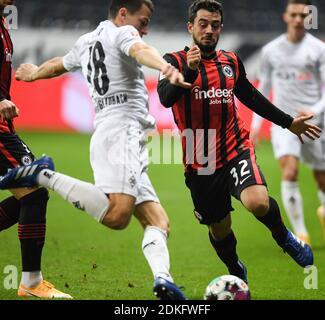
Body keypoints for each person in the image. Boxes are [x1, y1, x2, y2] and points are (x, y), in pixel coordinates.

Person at [0, 0, 191, 300]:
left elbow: (59, 64)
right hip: (122, 133)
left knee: (158, 221)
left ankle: (163, 280)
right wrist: (166, 67)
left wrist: (35, 72)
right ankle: (43, 175)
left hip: (114, 133)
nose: (145, 28)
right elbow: (140, 50)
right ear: (123, 14)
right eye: (143, 21)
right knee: (117, 216)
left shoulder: (87, 41)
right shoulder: (122, 33)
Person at [156, 0, 320, 283]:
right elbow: (165, 98)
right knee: (220, 228)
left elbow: (250, 96)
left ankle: (284, 237)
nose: (209, 30)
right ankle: (235, 270)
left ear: (221, 28)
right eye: (203, 24)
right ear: (190, 27)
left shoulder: (230, 61)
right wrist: (191, 72)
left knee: (257, 201)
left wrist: (288, 122)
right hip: (200, 156)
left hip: (235, 145)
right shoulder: (173, 61)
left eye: (215, 25)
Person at [0, 0, 71, 298]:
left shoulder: (3, 27)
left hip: (4, 128)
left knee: (35, 192)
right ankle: (30, 283)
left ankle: (31, 283)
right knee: (35, 189)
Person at [250, 0, 325, 245]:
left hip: (315, 124)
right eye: (293, 14)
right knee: (290, 171)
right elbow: (263, 88)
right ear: (286, 16)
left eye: (302, 15)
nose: (297, 19)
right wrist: (255, 126)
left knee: (321, 180)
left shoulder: (318, 49)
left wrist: (314, 109)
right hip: (285, 123)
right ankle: (301, 234)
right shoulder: (271, 50)